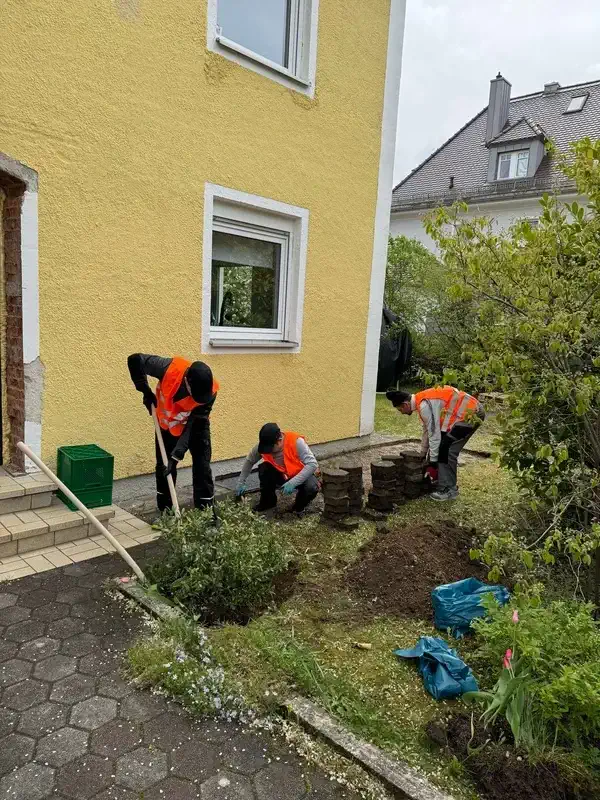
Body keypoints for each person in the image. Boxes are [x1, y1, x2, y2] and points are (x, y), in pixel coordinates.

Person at [128, 354, 219, 512]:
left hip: (196, 426)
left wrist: (176, 455)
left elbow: (193, 426)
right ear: (187, 382)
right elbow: (135, 360)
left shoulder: (211, 392)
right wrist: (145, 391)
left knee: (202, 468)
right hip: (166, 425)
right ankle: (167, 513)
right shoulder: (167, 368)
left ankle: (206, 515)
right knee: (164, 468)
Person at [386, 386, 484, 501]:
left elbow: (434, 434)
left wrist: (432, 461)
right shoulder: (421, 402)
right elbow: (427, 430)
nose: (402, 413)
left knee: (447, 450)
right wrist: (423, 453)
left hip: (472, 413)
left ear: (405, 404)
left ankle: (449, 490)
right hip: (465, 413)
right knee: (443, 448)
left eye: (400, 410)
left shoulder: (424, 405)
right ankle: (441, 480)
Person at [236, 424, 320, 515]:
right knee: (264, 469)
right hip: (281, 475)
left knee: (312, 487)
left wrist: (293, 482)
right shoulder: (264, 445)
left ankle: (298, 507)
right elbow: (249, 461)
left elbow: (312, 464)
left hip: (299, 475)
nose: (268, 451)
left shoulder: (296, 442)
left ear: (279, 441)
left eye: (270, 448)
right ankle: (268, 502)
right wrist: (241, 482)